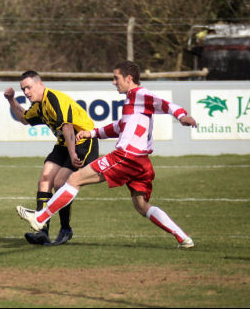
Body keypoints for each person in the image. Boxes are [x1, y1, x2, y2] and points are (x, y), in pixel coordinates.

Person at [16, 61, 197, 249]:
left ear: (129, 78)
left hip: (126, 157)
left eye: (116, 78)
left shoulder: (139, 94)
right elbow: (119, 127)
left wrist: (182, 115)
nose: (113, 82)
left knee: (75, 179)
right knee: (141, 205)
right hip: (142, 162)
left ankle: (40, 218)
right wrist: (92, 133)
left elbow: (166, 104)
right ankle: (183, 238)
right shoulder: (132, 102)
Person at [4, 71, 98, 245]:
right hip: (64, 144)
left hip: (82, 142)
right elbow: (24, 119)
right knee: (44, 180)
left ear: (40, 84)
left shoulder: (54, 99)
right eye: (23, 89)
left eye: (28, 87)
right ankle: (42, 230)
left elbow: (68, 127)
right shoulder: (39, 105)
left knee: (60, 182)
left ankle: (65, 229)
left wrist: (72, 154)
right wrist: (11, 100)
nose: (26, 92)